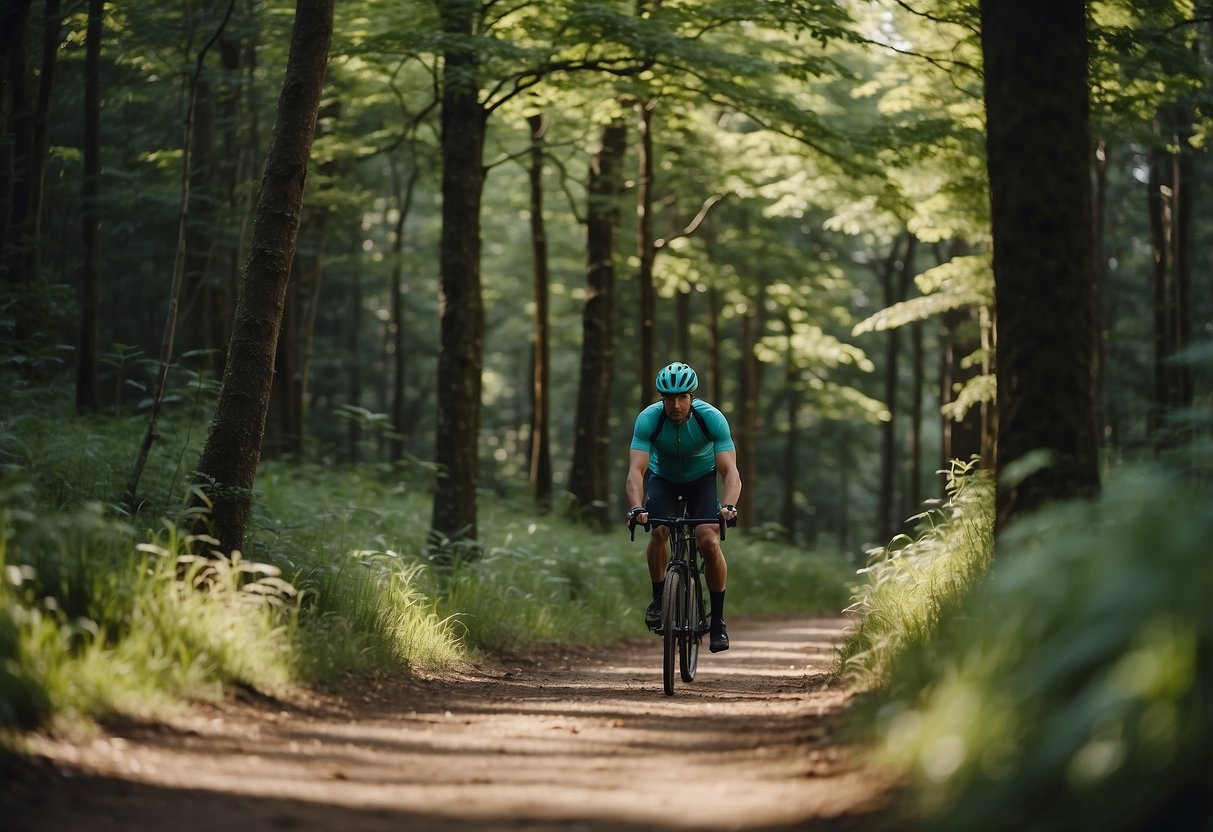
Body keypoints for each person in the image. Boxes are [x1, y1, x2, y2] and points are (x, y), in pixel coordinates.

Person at [625, 361, 741, 653]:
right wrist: (637, 508)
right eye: (669, 398)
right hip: (663, 478)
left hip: (701, 479)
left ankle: (717, 621)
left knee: (708, 540)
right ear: (661, 398)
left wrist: (728, 505)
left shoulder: (711, 419)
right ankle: (659, 597)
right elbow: (636, 471)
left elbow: (730, 472)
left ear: (692, 397)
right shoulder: (648, 420)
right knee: (660, 531)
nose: (675, 404)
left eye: (682, 397)